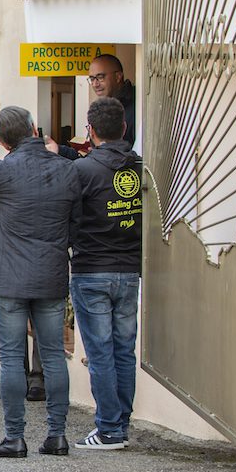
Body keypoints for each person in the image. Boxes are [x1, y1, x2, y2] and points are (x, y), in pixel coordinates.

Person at [0, 107, 81, 459]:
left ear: (4, 140)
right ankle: (57, 435)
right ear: (34, 129)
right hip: (51, 271)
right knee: (54, 355)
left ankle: (15, 436)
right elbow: (77, 220)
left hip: (9, 275)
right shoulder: (66, 168)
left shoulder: (1, 170)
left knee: (11, 358)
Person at [71, 97, 142, 450]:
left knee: (101, 353)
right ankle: (120, 424)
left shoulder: (83, 170)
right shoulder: (140, 167)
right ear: (124, 128)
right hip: (129, 270)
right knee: (123, 351)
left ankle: (110, 429)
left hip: (92, 270)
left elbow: (67, 217)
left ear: (91, 132)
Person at [88, 53, 136, 148]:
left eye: (100, 77)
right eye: (92, 79)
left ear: (118, 77)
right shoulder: (103, 106)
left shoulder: (138, 105)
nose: (95, 84)